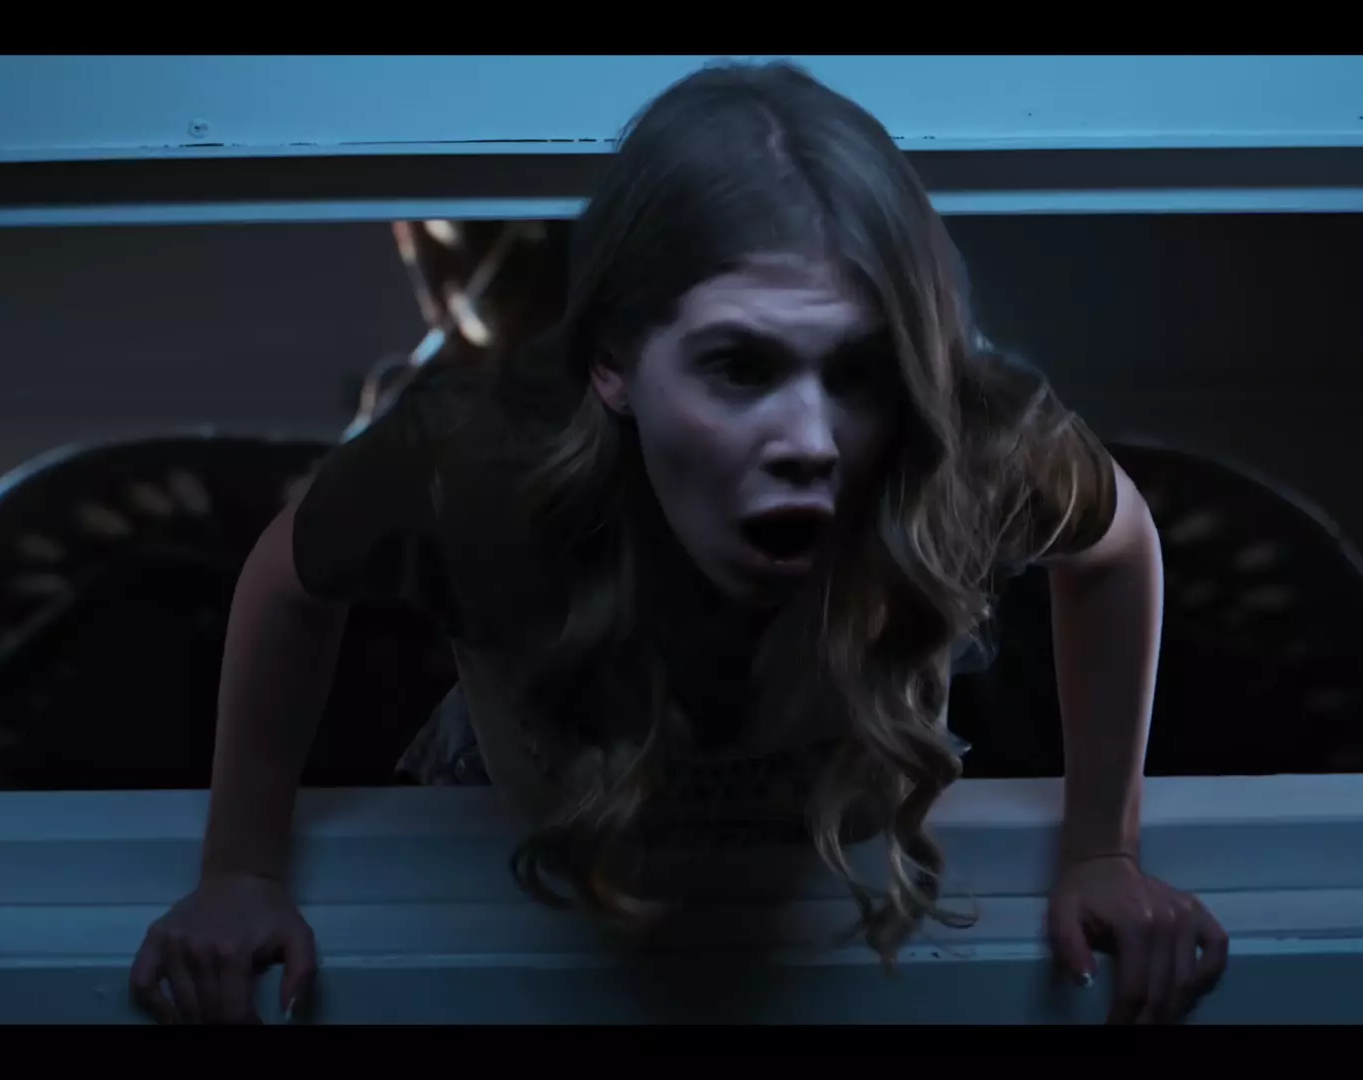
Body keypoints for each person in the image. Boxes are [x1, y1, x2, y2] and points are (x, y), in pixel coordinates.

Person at [130, 59, 1229, 1025]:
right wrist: (240, 871)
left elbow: (1118, 545)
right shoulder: (471, 464)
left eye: (857, 370)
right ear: (611, 361)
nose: (809, 443)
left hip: (828, 887)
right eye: (740, 367)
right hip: (551, 895)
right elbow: (287, 581)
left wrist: (1102, 848)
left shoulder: (964, 436)